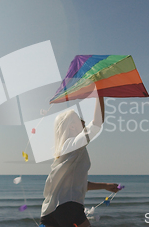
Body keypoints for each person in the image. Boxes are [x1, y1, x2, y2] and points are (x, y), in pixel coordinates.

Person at [40, 97, 120, 227]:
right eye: (80, 120)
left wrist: (105, 185)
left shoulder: (64, 151)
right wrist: (100, 93)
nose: (84, 122)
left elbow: (76, 184)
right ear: (72, 126)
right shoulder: (74, 145)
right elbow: (96, 124)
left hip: (48, 213)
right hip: (68, 207)